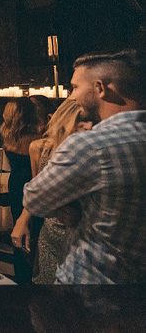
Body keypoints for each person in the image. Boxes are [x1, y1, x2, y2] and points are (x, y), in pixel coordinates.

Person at [24, 49, 146, 284]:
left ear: (100, 88)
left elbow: (34, 198)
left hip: (88, 292)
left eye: (76, 87)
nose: (72, 97)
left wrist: (68, 205)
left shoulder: (91, 145)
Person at [11, 99, 92, 284]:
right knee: (44, 296)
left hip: (81, 238)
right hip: (50, 235)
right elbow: (39, 189)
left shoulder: (92, 153)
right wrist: (23, 220)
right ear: (66, 121)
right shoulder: (42, 148)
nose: (89, 126)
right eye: (82, 121)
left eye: (92, 121)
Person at [0, 97, 42, 283]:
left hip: (15, 183)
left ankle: (21, 274)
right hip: (31, 184)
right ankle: (33, 272)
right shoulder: (37, 137)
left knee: (18, 224)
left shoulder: (7, 133)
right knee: (35, 231)